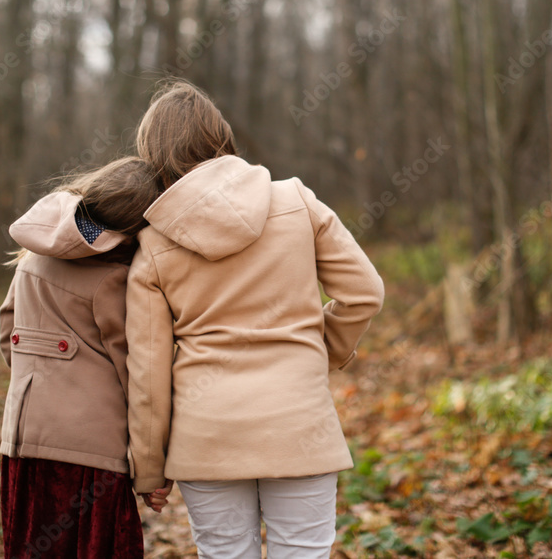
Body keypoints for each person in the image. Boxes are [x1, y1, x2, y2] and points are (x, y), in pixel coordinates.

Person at [126, 81, 385, 558]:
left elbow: (148, 374)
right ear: (221, 136)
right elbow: (365, 293)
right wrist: (320, 348)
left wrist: (148, 467)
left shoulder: (153, 246)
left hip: (207, 436)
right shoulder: (296, 201)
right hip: (298, 422)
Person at [0, 156, 161, 559]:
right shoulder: (116, 278)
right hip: (91, 458)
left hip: (22, 442)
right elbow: (137, 377)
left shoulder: (32, 257)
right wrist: (151, 470)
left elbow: (8, 336)